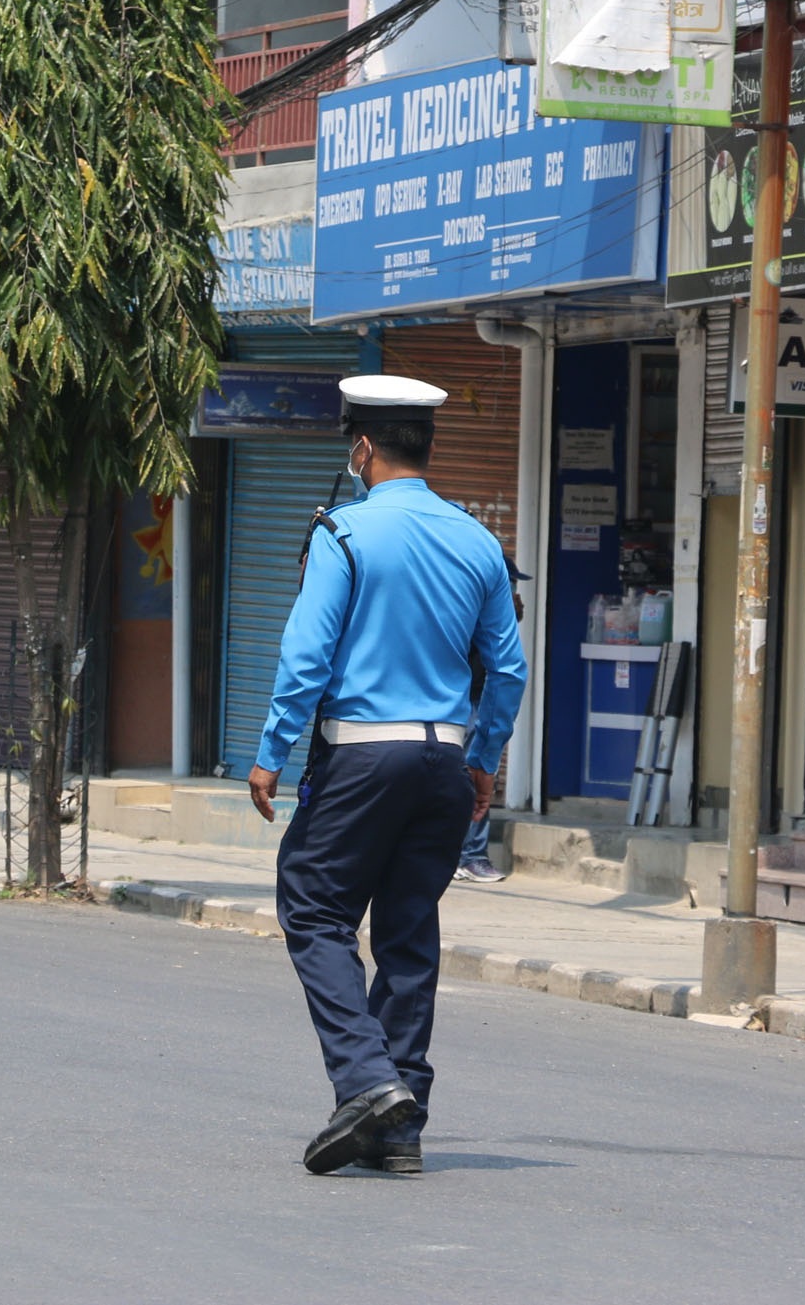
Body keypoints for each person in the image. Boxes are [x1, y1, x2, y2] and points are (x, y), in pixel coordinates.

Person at [248, 376, 526, 1176]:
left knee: (313, 903)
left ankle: (369, 1082)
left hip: (365, 755)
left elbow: (307, 655)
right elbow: (507, 668)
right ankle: (399, 1126)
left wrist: (271, 749)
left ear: (363, 448)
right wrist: (482, 759)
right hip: (444, 758)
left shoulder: (344, 533)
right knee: (408, 929)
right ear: (426, 448)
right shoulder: (477, 540)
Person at [453, 551, 531, 885]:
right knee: (473, 773)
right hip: (460, 700)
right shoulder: (465, 602)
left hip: (482, 697)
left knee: (480, 770)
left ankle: (468, 854)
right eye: (509, 584)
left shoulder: (498, 612)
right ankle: (468, 856)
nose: (514, 590)